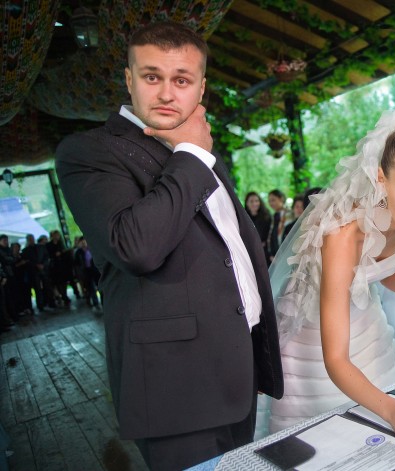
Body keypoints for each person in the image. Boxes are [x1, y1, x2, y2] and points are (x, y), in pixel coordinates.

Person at [55, 21, 283, 471]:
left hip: (234, 370)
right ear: (129, 79)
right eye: (151, 76)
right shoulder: (89, 151)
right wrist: (193, 154)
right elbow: (135, 247)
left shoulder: (198, 147)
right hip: (176, 388)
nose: (165, 93)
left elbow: (227, 249)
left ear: (201, 87)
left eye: (181, 80)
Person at [267, 108, 395, 439]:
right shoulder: (343, 234)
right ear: (381, 178)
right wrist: (392, 411)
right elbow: (336, 360)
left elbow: (393, 274)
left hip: (369, 330)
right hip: (320, 347)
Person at [244, 192, 272, 256]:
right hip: (248, 249)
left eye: (256, 201)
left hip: (264, 250)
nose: (254, 203)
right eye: (251, 201)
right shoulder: (243, 217)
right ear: (247, 203)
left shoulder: (266, 216)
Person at [266, 189, 287, 262]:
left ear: (281, 199)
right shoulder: (273, 216)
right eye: (269, 201)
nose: (271, 203)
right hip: (274, 256)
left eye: (273, 200)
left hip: (285, 254)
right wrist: (271, 254)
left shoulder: (290, 214)